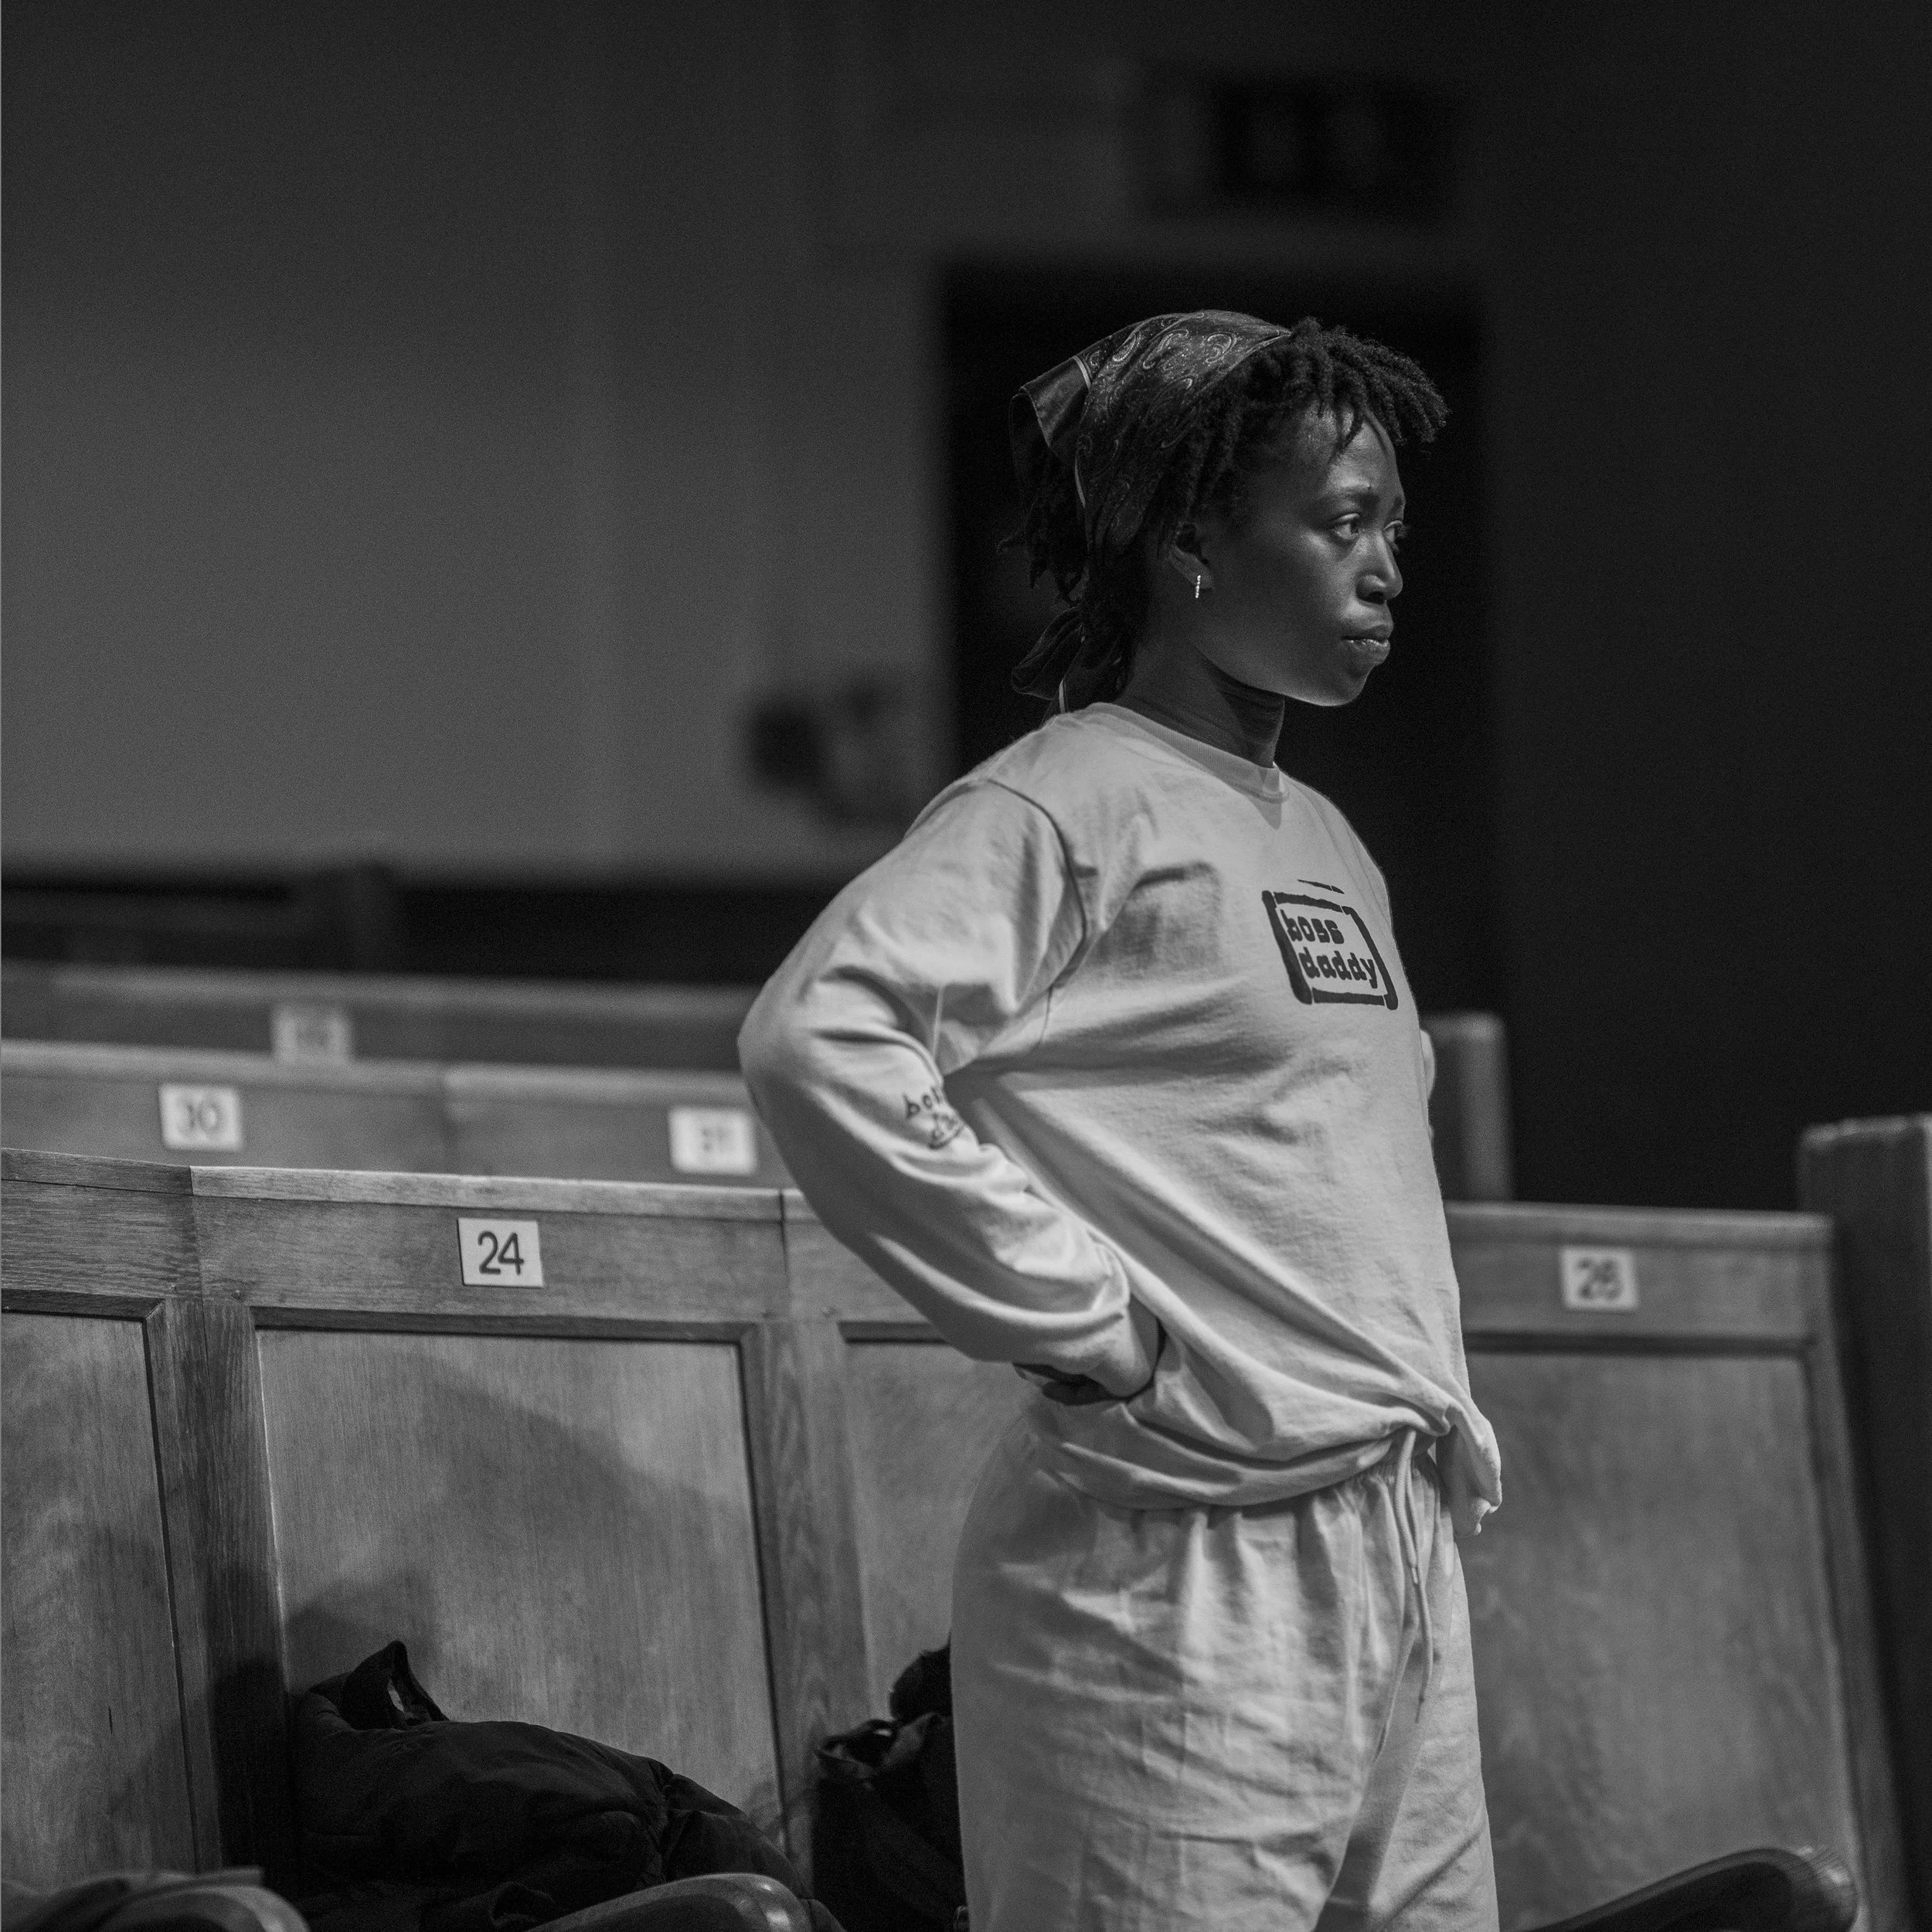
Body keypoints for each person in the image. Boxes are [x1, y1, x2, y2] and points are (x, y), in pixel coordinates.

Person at [738, 311, 1503, 1932]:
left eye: (1394, 531)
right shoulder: (1062, 797)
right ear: (1187, 542)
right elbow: (820, 1041)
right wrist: (1083, 1324)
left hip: (1387, 1547)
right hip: (1169, 1577)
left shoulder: (1328, 839)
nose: (1383, 571)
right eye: (1339, 521)